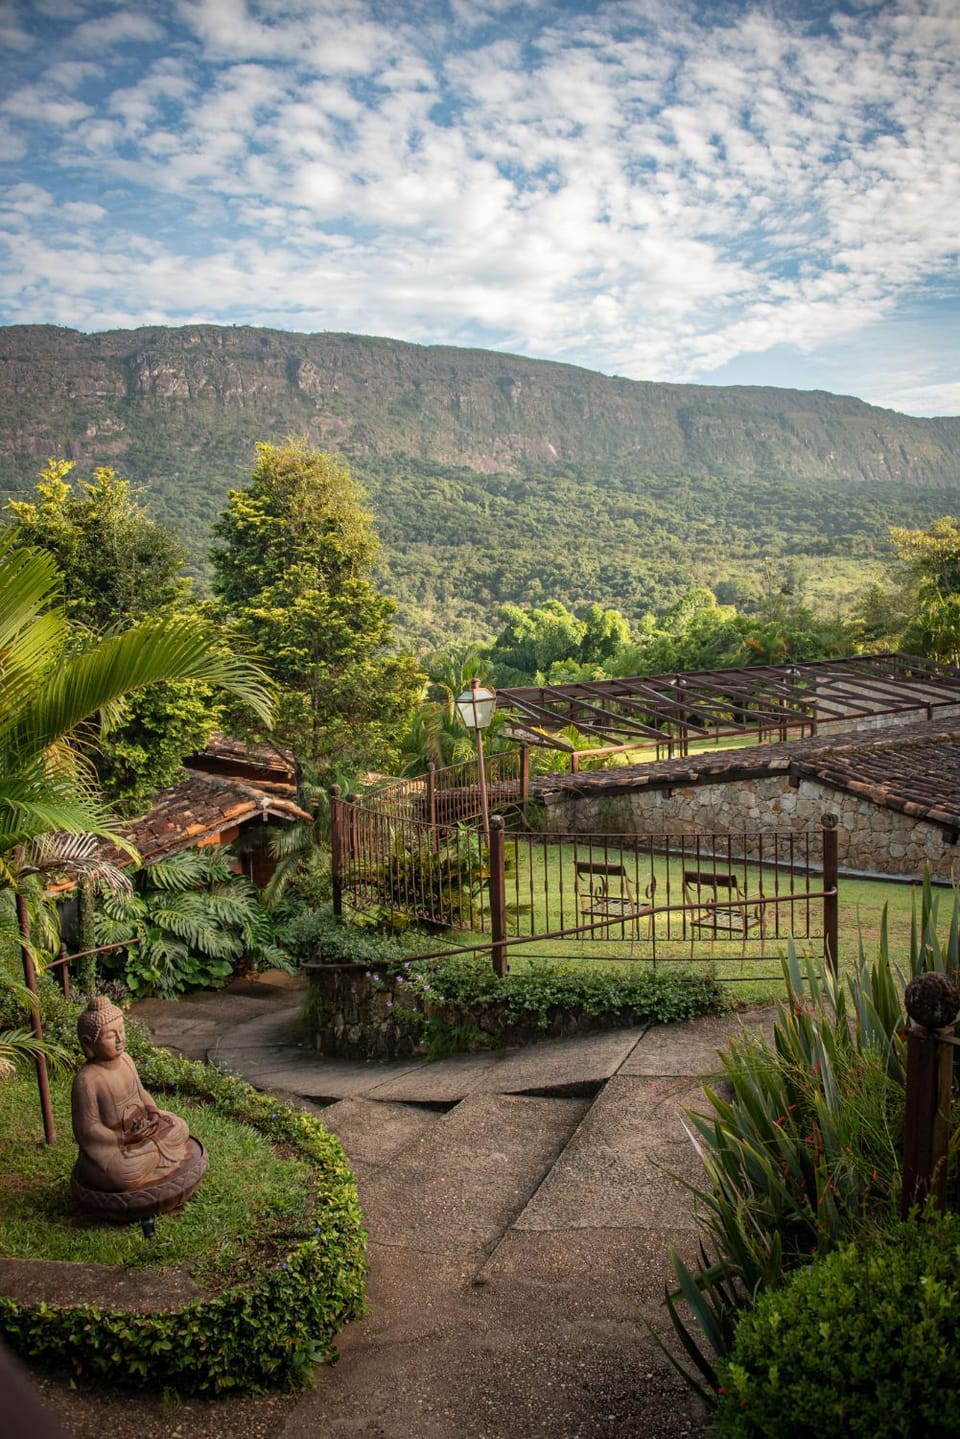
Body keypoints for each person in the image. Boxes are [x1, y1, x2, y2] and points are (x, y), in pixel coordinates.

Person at [71, 996, 192, 1194]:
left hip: (143, 1127)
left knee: (179, 1127)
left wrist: (153, 1113)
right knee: (122, 1173)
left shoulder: (126, 1060)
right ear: (89, 1043)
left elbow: (141, 1093)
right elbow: (87, 1130)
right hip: (116, 1144)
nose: (120, 1040)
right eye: (111, 1036)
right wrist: (123, 1137)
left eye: (122, 1031)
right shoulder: (87, 1080)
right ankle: (152, 1155)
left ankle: (151, 1152)